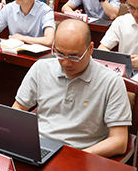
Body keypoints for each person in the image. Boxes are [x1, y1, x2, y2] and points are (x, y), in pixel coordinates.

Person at [13, 19, 131, 157]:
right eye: (60, 53)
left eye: (74, 56)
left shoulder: (111, 82)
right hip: (39, 147)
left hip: (81, 153)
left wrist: (81, 156)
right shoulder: (41, 68)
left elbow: (119, 141)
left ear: (90, 49)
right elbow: (18, 109)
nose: (66, 63)